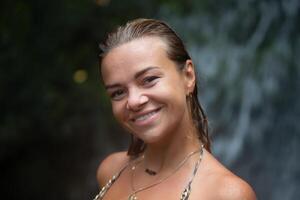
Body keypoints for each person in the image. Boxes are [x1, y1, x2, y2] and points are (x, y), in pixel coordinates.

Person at [94, 18, 256, 200]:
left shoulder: (227, 194)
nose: (133, 101)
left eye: (148, 79)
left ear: (188, 76)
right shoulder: (110, 170)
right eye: (118, 92)